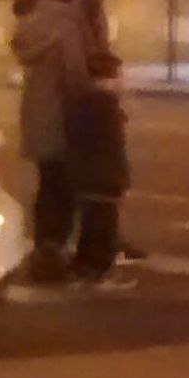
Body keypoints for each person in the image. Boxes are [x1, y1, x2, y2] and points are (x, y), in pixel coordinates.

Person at [65, 0, 147, 264]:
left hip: (95, 90)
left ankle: (105, 240)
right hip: (91, 94)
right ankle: (95, 248)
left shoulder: (87, 0)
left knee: (96, 176)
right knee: (99, 177)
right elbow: (87, 51)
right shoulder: (79, 2)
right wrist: (105, 81)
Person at [12, 0, 95, 283]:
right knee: (65, 190)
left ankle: (43, 251)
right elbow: (76, 76)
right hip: (64, 117)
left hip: (38, 114)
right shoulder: (67, 23)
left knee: (48, 186)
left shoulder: (32, 21)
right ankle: (54, 256)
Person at [65, 52, 135, 289]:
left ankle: (84, 267)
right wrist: (122, 180)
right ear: (110, 78)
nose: (123, 80)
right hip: (103, 178)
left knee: (91, 224)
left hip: (86, 177)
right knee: (104, 227)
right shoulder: (105, 107)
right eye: (120, 75)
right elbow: (113, 150)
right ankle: (99, 272)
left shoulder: (83, 102)